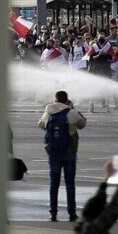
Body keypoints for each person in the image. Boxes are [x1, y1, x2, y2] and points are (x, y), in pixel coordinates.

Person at [38, 91, 87, 222]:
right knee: (70, 183)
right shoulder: (70, 112)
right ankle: (72, 213)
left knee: (54, 183)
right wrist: (73, 109)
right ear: (67, 100)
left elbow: (42, 125)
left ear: (55, 100)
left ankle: (53, 213)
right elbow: (82, 124)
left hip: (53, 151)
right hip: (69, 151)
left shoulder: (49, 111)